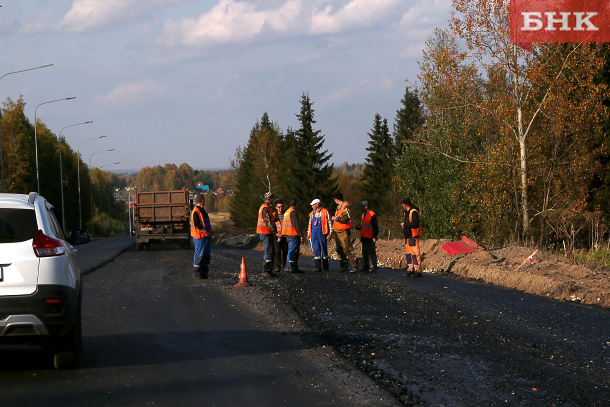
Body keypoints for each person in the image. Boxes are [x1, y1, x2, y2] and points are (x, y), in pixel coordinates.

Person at [331, 192, 358, 272]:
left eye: (335, 199)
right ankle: (344, 266)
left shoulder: (345, 207)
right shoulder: (339, 207)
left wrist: (336, 218)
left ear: (337, 199)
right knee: (339, 250)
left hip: (344, 231)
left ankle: (354, 266)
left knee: (347, 249)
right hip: (337, 231)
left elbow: (346, 217)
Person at [190, 194, 212, 279]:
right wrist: (205, 231)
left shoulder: (202, 210)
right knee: (199, 255)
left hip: (205, 236)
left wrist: (210, 233)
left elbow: (206, 223)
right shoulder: (196, 211)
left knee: (206, 255)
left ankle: (204, 272)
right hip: (199, 237)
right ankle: (197, 273)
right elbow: (196, 224)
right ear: (202, 201)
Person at [256, 191, 277, 277]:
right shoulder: (265, 208)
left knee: (271, 250)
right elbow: (267, 222)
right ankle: (265, 271)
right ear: (271, 199)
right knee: (269, 251)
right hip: (265, 232)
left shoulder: (265, 207)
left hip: (265, 232)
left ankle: (269, 270)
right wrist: (275, 232)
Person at [307, 198, 332, 271]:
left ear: (317, 205)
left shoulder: (325, 212)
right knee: (316, 249)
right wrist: (308, 233)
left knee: (324, 249)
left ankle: (325, 266)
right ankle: (317, 267)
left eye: (313, 205)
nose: (312, 206)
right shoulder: (312, 214)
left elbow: (330, 223)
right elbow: (310, 224)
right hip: (314, 234)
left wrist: (330, 234)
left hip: (323, 234)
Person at [401, 197, 422, 277]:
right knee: (409, 253)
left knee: (415, 253)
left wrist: (404, 225)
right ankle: (411, 268)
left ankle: (417, 270)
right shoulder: (407, 212)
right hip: (408, 236)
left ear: (405, 205)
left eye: (402, 204)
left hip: (413, 235)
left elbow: (414, 223)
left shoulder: (413, 212)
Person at [282, 199, 303, 274]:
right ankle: (290, 268)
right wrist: (301, 235)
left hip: (288, 234)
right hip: (293, 234)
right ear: (296, 205)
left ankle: (292, 267)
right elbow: (296, 224)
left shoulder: (287, 212)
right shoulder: (293, 212)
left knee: (292, 251)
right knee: (293, 251)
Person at [358, 201, 378, 272]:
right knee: (365, 253)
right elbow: (365, 225)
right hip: (364, 237)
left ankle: (374, 266)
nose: (361, 209)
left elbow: (375, 227)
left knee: (371, 253)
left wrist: (374, 237)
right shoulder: (364, 214)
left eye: (362, 207)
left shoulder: (372, 215)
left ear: (366, 207)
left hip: (370, 237)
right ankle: (366, 266)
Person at [273, 200, 289, 273]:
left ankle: (285, 265)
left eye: (282, 206)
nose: (280, 208)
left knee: (285, 251)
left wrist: (283, 233)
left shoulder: (287, 214)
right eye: (279, 207)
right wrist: (276, 233)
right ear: (276, 207)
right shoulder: (273, 215)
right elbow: (271, 225)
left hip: (285, 235)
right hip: (276, 235)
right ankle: (277, 266)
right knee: (277, 251)